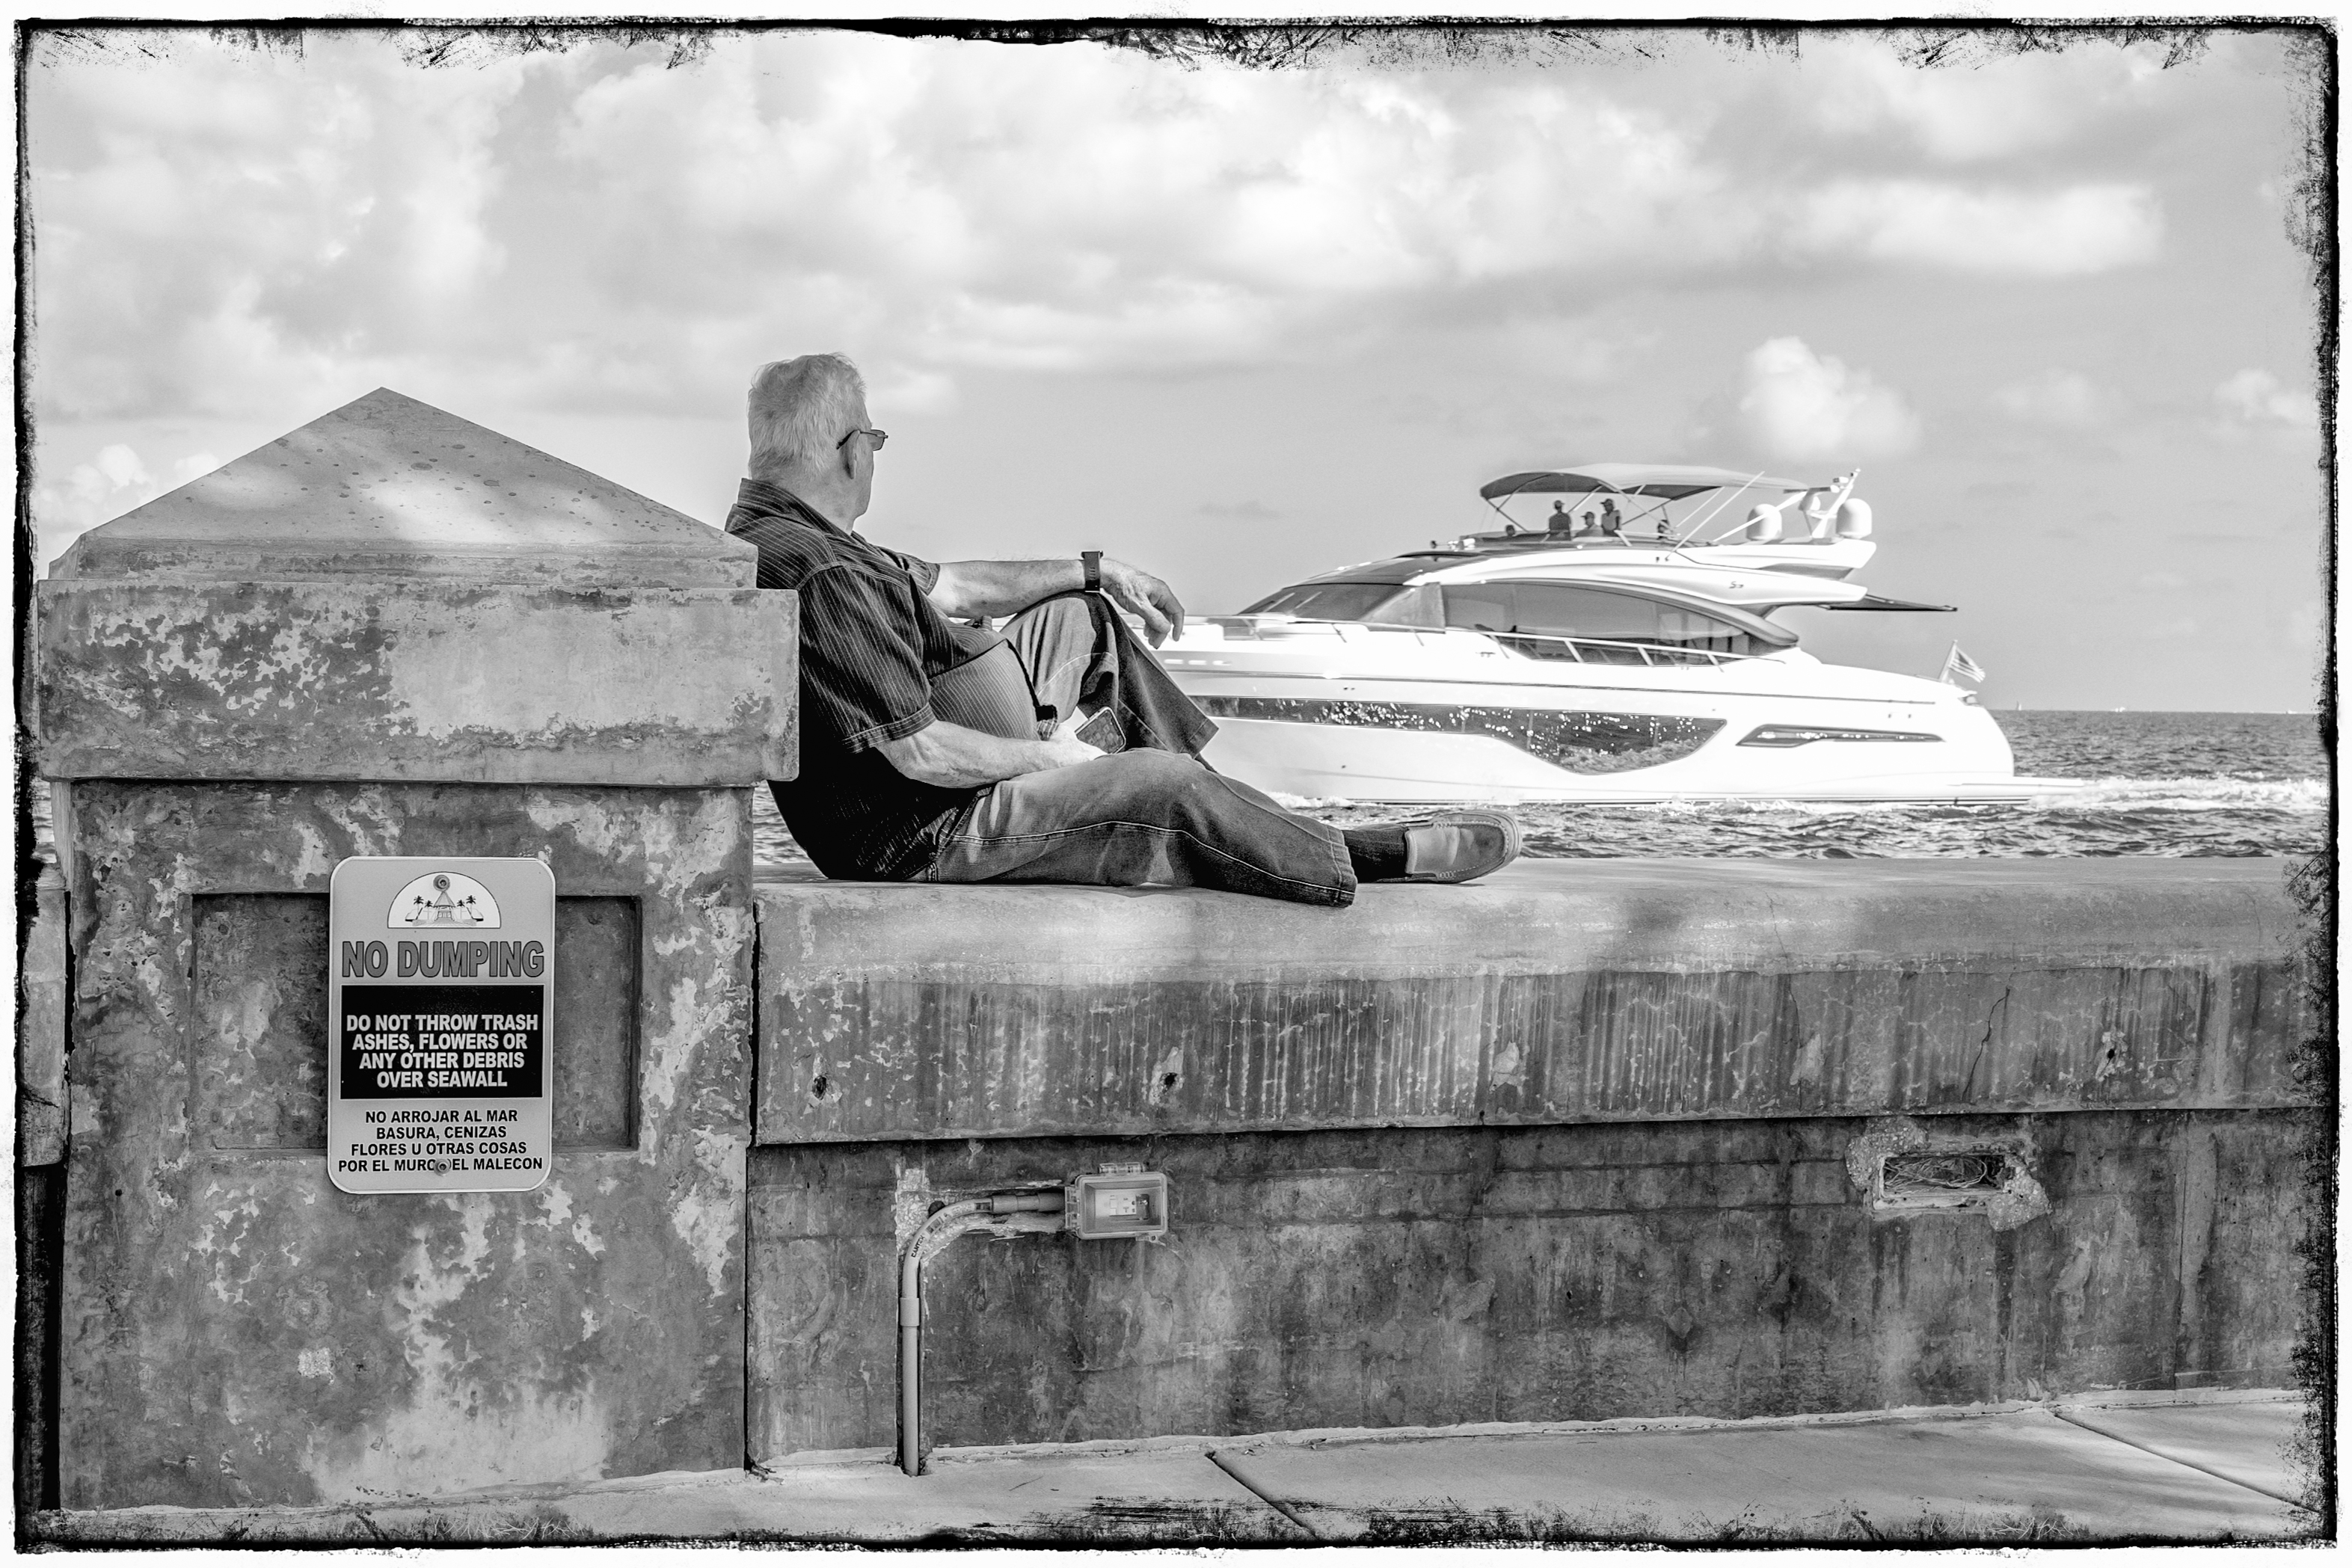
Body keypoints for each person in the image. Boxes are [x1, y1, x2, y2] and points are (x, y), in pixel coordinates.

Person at [724, 354, 1520, 907]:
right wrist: (1054, 759)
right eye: (875, 439)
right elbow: (919, 754)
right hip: (926, 829)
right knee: (1158, 784)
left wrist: (1097, 571)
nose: (875, 454)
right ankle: (1352, 853)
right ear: (849, 453)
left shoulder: (809, 536)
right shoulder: (819, 571)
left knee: (1087, 618)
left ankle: (1237, 819)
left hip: (955, 757)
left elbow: (956, 586)